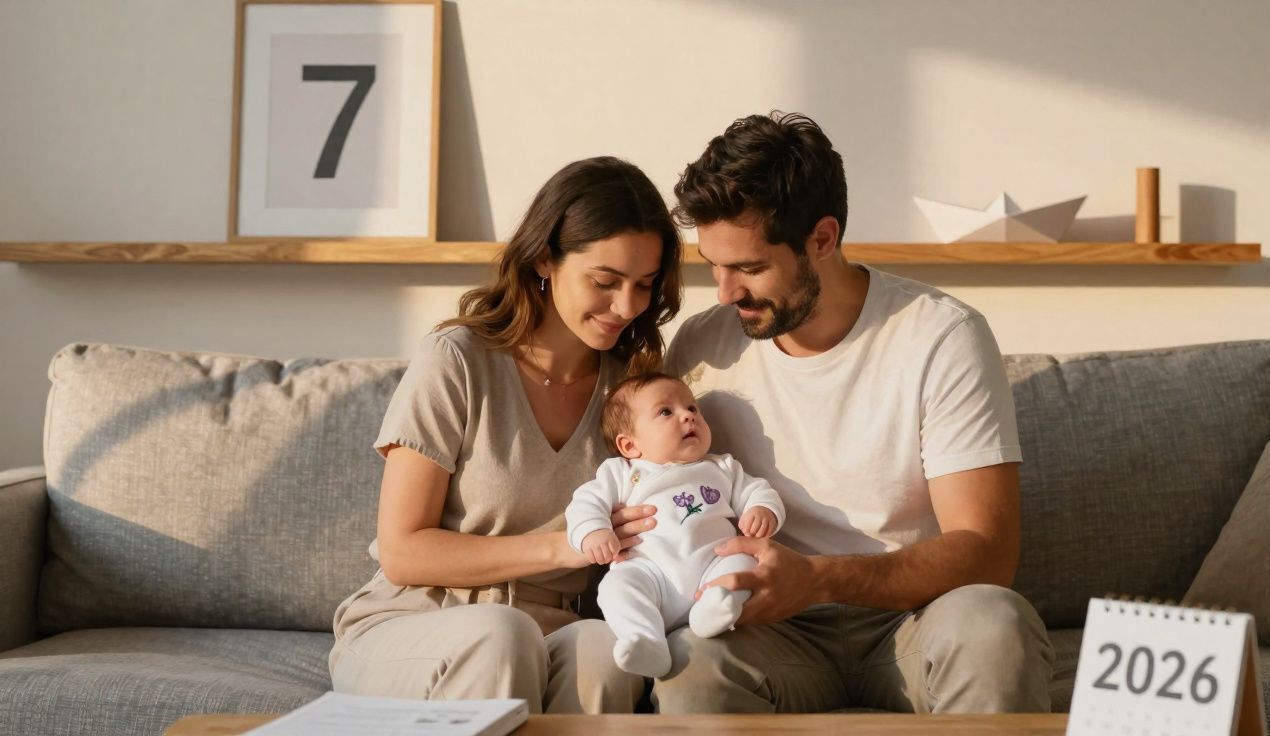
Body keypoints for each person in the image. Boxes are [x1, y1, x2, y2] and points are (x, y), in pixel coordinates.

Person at [655, 112, 1055, 714]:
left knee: (994, 624)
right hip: (769, 629)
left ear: (822, 239)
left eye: (750, 268)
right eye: (713, 264)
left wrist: (817, 578)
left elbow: (988, 551)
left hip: (916, 619)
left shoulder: (941, 337)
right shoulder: (703, 346)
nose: (726, 292)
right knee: (687, 668)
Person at [328, 156, 683, 714]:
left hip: (551, 630)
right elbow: (402, 551)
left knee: (606, 648)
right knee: (502, 635)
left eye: (644, 284)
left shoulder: (633, 394)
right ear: (544, 257)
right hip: (416, 624)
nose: (627, 306)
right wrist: (563, 546)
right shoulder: (457, 361)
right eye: (605, 281)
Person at [564, 372, 785, 678]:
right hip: (650, 573)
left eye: (692, 408)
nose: (688, 416)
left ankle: (716, 608)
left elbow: (758, 490)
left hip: (714, 564)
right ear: (630, 445)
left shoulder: (722, 467)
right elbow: (586, 502)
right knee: (615, 587)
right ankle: (644, 640)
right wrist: (593, 531)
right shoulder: (622, 472)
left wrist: (761, 509)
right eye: (666, 412)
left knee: (745, 560)